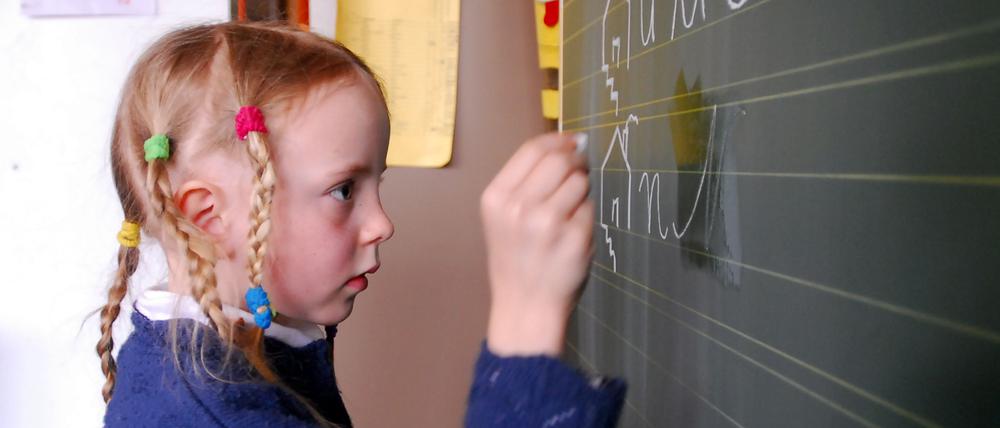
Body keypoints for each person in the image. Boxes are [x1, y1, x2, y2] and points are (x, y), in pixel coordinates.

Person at [97, 21, 625, 427]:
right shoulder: (209, 410)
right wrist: (527, 320)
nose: (382, 224)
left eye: (377, 185)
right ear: (207, 216)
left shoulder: (215, 359)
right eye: (344, 190)